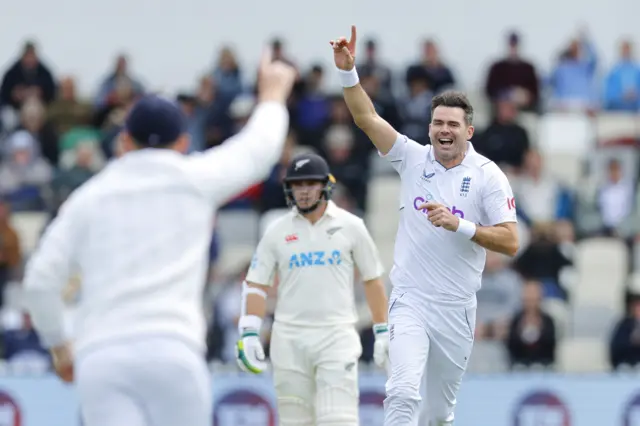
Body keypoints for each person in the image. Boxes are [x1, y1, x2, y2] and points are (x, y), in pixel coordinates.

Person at [21, 49, 297, 426]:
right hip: (174, 352)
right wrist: (273, 94)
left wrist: (60, 347)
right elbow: (259, 150)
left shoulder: (88, 198)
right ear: (183, 142)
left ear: (124, 142)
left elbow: (39, 282)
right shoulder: (195, 179)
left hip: (103, 356)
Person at [330, 26, 519, 426]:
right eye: (438, 123)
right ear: (429, 127)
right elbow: (366, 118)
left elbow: (511, 241)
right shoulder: (412, 158)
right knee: (400, 393)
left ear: (468, 131)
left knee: (437, 414)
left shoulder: (487, 176)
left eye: (452, 124)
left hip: (456, 308)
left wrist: (461, 225)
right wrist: (349, 73)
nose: (444, 131)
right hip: (410, 299)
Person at [236, 152, 389, 425]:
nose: (303, 191)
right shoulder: (276, 230)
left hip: (336, 335)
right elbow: (256, 284)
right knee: (295, 420)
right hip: (289, 339)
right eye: (297, 184)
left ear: (325, 186)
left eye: (310, 184)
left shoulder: (352, 226)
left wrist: (383, 330)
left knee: (338, 419)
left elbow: (372, 280)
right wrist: (249, 332)